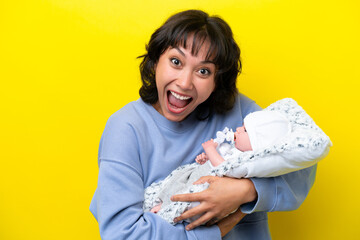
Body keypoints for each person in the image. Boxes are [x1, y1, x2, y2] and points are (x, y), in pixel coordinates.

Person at [90, 10, 319, 239]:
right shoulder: (126, 128)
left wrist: (245, 191)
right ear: (155, 61)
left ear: (216, 80)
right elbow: (122, 233)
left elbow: (302, 162)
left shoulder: (241, 113)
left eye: (203, 71)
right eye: (176, 61)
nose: (185, 82)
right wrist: (217, 229)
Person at [146, 100, 331, 224]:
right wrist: (206, 157)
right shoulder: (130, 123)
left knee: (189, 197)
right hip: (196, 173)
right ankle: (161, 201)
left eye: (244, 131)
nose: (238, 130)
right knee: (178, 181)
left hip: (204, 187)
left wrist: (246, 190)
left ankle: (166, 209)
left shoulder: (245, 160)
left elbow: (225, 167)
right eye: (176, 62)